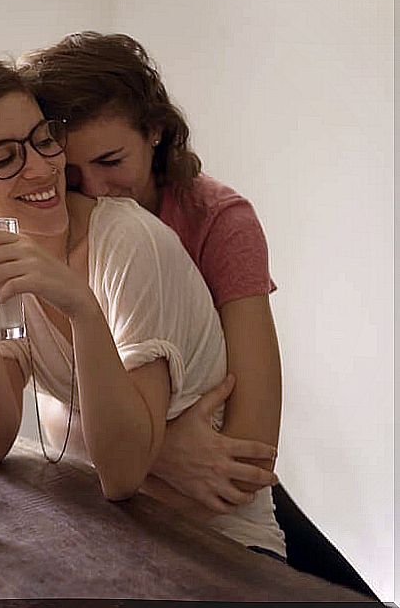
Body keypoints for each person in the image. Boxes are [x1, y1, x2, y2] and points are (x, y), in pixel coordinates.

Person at [0, 32, 285, 559]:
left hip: (213, 542)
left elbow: (128, 473)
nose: (45, 169)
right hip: (116, 530)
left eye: (42, 139)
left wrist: (79, 305)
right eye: (3, 157)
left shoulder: (139, 237)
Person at [16, 32, 283, 526]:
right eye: (70, 174)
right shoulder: (51, 225)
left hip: (213, 500)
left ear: (155, 132)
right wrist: (157, 451)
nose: (93, 190)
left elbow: (250, 454)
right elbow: (54, 405)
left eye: (110, 162)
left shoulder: (219, 222)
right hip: (130, 491)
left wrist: (135, 449)